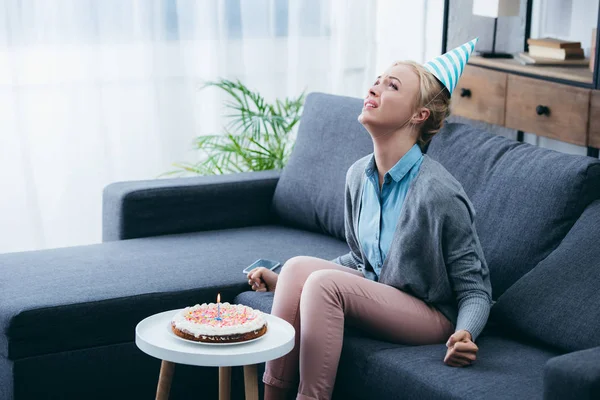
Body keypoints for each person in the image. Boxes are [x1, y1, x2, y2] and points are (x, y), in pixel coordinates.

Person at [247, 38, 493, 400]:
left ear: (419, 115)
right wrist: (284, 281)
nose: (375, 86)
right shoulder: (357, 175)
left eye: (392, 85)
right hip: (383, 294)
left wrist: (466, 333)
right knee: (299, 269)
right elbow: (362, 261)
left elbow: (475, 288)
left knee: (323, 285)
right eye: (378, 79)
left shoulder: (438, 192)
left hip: (430, 314)